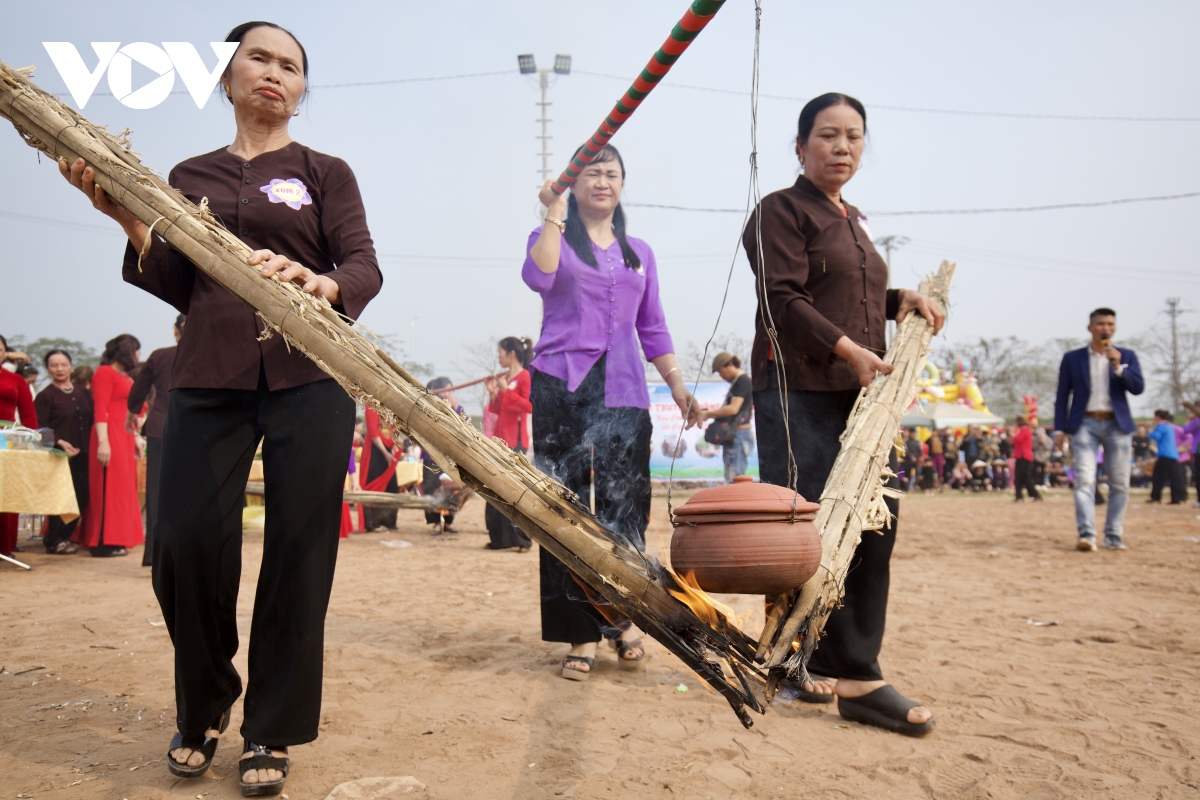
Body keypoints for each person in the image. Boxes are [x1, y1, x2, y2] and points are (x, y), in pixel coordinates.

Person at [60, 21, 381, 795]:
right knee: (183, 543)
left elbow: (362, 263)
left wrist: (324, 285)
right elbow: (181, 281)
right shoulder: (187, 172)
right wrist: (125, 217)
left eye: (291, 66)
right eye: (258, 59)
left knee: (300, 555)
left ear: (302, 92)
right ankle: (203, 704)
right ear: (227, 76)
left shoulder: (324, 171)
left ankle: (269, 728)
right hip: (208, 376)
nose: (274, 72)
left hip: (311, 376)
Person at [744, 92, 944, 736]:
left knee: (870, 520)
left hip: (855, 396)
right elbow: (784, 297)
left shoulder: (852, 218)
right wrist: (849, 349)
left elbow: (850, 294)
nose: (842, 147)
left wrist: (898, 300)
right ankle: (852, 675)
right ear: (799, 147)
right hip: (796, 388)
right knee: (813, 527)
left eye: (854, 137)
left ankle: (813, 661)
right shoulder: (781, 210)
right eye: (828, 135)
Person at [526, 143, 700, 682]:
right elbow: (541, 278)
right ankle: (579, 631)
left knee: (626, 510)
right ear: (572, 185)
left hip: (625, 388)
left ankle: (621, 621)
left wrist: (676, 384)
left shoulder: (639, 251)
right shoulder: (548, 237)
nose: (603, 180)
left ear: (623, 184)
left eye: (612, 173)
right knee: (564, 509)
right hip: (560, 386)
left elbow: (653, 325)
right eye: (591, 173)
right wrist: (551, 211)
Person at [1053, 308, 1144, 551]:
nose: (1106, 328)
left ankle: (1113, 535)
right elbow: (1062, 395)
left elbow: (1137, 388)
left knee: (1119, 482)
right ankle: (1087, 534)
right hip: (1084, 423)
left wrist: (1119, 368)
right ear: (1090, 328)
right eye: (1101, 324)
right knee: (1084, 479)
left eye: (1110, 324)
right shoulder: (1073, 358)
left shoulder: (1126, 355)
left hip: (1118, 424)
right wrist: (1059, 429)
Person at [74, 335, 144, 558]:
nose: (138, 355)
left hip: (122, 435)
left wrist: (134, 438)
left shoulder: (123, 375)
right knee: (108, 486)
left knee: (120, 488)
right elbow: (100, 410)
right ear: (127, 351)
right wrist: (103, 442)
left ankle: (116, 538)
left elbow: (129, 410)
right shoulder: (104, 373)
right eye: (136, 350)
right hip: (109, 434)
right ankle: (102, 542)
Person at [127, 315, 185, 567]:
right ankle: (184, 550)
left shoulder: (160, 355)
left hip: (160, 426)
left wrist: (131, 411)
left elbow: (138, 391)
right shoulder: (208, 354)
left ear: (175, 330)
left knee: (156, 491)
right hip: (195, 428)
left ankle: (153, 553)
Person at [34, 348, 93, 554]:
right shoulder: (45, 396)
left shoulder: (83, 392)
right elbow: (39, 428)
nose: (59, 369)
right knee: (60, 497)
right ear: (48, 369)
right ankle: (53, 539)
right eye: (54, 365)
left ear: (71, 366)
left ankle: (65, 536)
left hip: (84, 453)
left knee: (82, 496)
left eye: (63, 364)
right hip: (58, 456)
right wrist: (59, 442)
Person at [484, 337, 534, 551]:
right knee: (494, 488)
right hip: (500, 439)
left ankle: (522, 539)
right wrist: (493, 392)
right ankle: (500, 538)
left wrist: (507, 390)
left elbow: (528, 406)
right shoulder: (505, 377)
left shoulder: (524, 377)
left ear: (511, 354)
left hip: (515, 441)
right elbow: (497, 409)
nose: (498, 356)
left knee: (514, 491)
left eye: (500, 352)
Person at [0, 334, 37, 558]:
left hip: (8, 441)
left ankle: (5, 546)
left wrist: (33, 440)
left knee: (7, 491)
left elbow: (28, 415)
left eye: (1, 349)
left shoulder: (16, 380)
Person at [698, 352, 755, 484]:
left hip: (739, 434)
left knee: (736, 478)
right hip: (735, 434)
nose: (721, 376)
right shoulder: (738, 382)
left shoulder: (742, 381)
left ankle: (737, 504)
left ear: (729, 365)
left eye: (720, 371)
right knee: (731, 476)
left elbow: (733, 408)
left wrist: (709, 414)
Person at [421, 377, 465, 533]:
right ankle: (435, 522)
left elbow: (463, 427)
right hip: (431, 456)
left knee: (451, 490)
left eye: (451, 390)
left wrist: (455, 408)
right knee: (431, 489)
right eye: (445, 390)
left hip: (450, 458)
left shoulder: (457, 408)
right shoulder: (430, 406)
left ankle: (448, 521)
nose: (448, 394)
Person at [360, 405, 398, 531]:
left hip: (389, 448)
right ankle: (372, 523)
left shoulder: (391, 407)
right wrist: (385, 453)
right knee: (373, 484)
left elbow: (394, 430)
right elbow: (373, 432)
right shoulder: (371, 407)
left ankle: (388, 521)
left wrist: (395, 446)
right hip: (374, 451)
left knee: (392, 485)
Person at [1148, 410, 1185, 505]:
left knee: (1158, 477)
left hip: (1165, 454)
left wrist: (1149, 429)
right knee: (1174, 477)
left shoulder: (1161, 425)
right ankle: (1176, 498)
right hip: (1173, 454)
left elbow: (1156, 436)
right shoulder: (1169, 426)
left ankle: (1156, 497)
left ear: (1158, 417)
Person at [1012, 416, 1041, 502]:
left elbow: (1018, 439)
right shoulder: (1027, 430)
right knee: (1023, 477)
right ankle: (1025, 495)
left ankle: (1027, 495)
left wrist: (1013, 433)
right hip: (1024, 456)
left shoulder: (1024, 430)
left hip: (1023, 456)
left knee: (1023, 477)